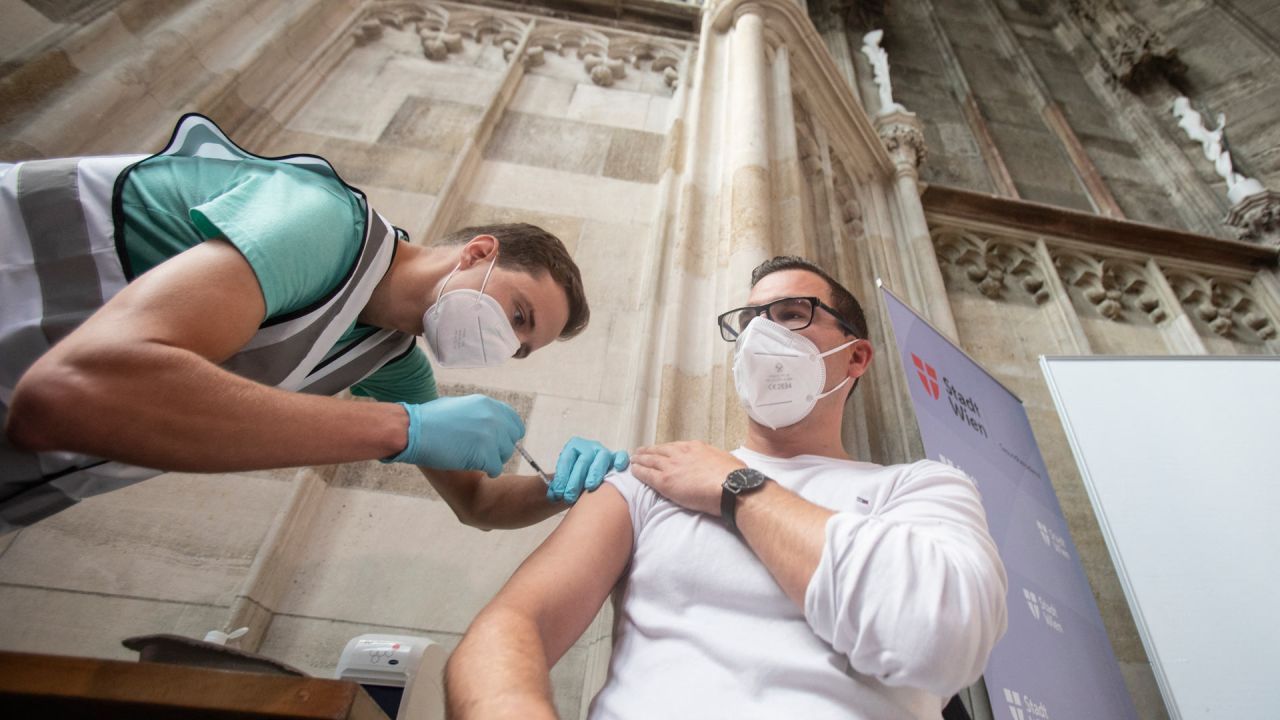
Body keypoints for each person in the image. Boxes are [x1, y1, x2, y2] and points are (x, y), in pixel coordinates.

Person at [1, 114, 627, 533]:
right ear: (479, 253)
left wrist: (571, 487)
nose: (506, 341)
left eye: (522, 348)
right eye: (518, 314)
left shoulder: (386, 358)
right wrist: (398, 428)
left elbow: (478, 502)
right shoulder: (320, 224)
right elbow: (68, 395)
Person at [445, 256, 1008, 719]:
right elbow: (511, 626)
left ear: (855, 356)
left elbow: (940, 634)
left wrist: (736, 487)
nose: (760, 335)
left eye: (791, 314)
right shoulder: (651, 483)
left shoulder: (920, 489)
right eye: (748, 321)